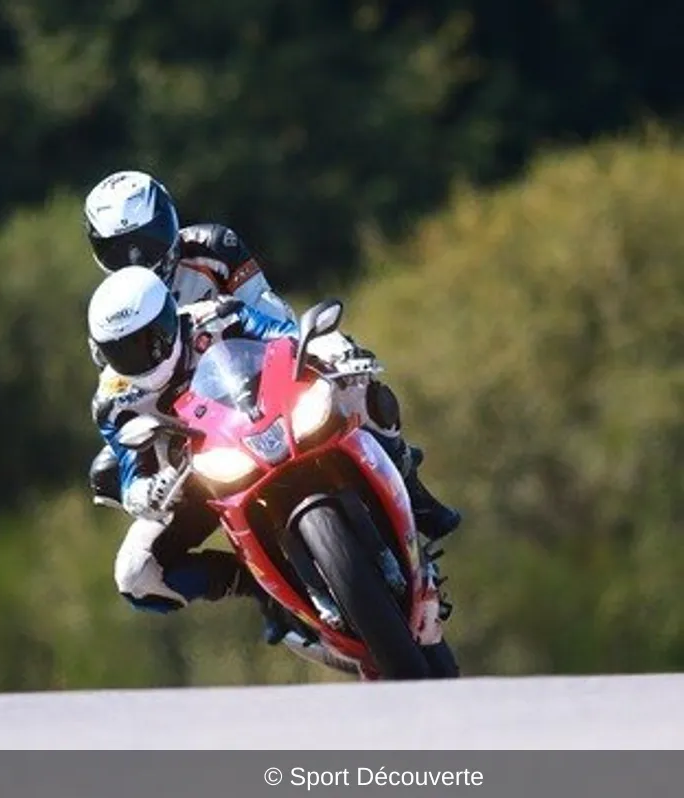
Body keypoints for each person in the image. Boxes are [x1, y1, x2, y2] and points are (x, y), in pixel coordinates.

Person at [87, 266, 451, 676]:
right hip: (202, 475)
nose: (145, 353)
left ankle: (414, 495)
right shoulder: (113, 400)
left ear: (169, 317)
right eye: (126, 349)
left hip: (276, 422)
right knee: (134, 574)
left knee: (358, 385)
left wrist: (326, 351)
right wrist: (145, 492)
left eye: (150, 337)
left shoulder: (216, 315)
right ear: (103, 352)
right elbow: (128, 465)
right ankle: (254, 586)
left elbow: (282, 335)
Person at [83, 170, 461, 550]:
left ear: (169, 221)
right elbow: (129, 395)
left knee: (342, 354)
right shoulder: (112, 317)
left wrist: (314, 350)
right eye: (118, 250)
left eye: (146, 242)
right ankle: (258, 584)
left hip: (255, 368)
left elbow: (271, 316)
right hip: (196, 426)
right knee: (131, 560)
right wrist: (141, 486)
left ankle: (410, 486)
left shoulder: (214, 247)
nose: (137, 260)